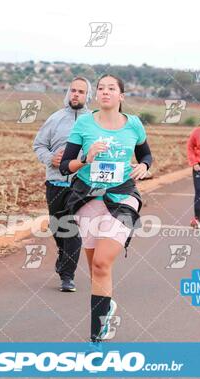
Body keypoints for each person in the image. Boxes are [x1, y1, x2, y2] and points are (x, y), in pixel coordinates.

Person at [59, 74, 152, 343]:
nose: (105, 92)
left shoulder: (133, 124)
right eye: (101, 88)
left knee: (101, 262)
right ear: (96, 95)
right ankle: (106, 305)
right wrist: (86, 158)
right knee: (95, 271)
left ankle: (95, 338)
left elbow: (146, 154)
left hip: (122, 196)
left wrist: (144, 166)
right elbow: (65, 165)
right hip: (88, 197)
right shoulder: (85, 123)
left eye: (112, 88)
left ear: (121, 96)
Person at [33, 77, 92, 292]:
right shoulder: (55, 119)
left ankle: (68, 275)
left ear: (88, 96)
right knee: (58, 226)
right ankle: (62, 254)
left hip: (82, 183)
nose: (76, 94)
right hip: (56, 182)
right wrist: (51, 159)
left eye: (81, 92)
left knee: (73, 229)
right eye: (73, 90)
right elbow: (39, 145)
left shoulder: (93, 121)